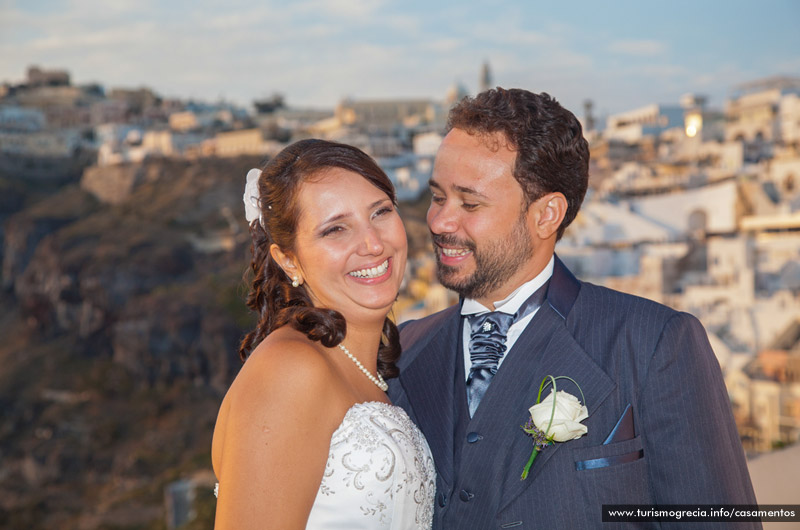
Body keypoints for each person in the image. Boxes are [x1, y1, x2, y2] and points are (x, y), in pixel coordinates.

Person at [389, 88, 760, 529]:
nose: (439, 222)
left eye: (470, 203)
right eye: (437, 197)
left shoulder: (654, 344)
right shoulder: (404, 347)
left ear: (547, 215)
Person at [212, 139, 435, 529]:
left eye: (380, 212)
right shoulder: (290, 369)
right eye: (335, 230)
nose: (373, 243)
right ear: (288, 260)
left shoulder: (357, 368)